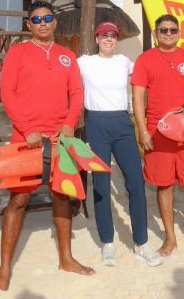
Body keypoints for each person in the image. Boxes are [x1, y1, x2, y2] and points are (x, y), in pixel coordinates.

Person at [0, 0, 94, 291]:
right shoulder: (18, 52)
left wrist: (69, 122)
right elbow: (8, 93)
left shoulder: (66, 55)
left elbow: (76, 91)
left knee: (62, 196)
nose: (42, 23)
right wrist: (26, 129)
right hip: (26, 139)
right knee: (18, 201)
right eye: (36, 20)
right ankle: (4, 269)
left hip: (60, 139)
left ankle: (66, 258)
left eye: (47, 18)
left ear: (55, 22)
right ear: (29, 25)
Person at [131, 14, 184, 258]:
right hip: (158, 134)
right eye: (163, 30)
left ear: (179, 33)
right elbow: (137, 97)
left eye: (172, 30)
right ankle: (170, 239)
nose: (168, 34)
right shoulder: (145, 59)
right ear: (156, 33)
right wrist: (143, 130)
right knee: (164, 184)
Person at [77, 22, 162, 268]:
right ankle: (108, 242)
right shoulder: (85, 62)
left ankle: (141, 242)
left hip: (123, 124)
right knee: (102, 184)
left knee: (136, 182)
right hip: (97, 124)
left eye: (113, 36)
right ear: (96, 38)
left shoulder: (125, 61)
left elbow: (149, 74)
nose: (109, 39)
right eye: (104, 35)